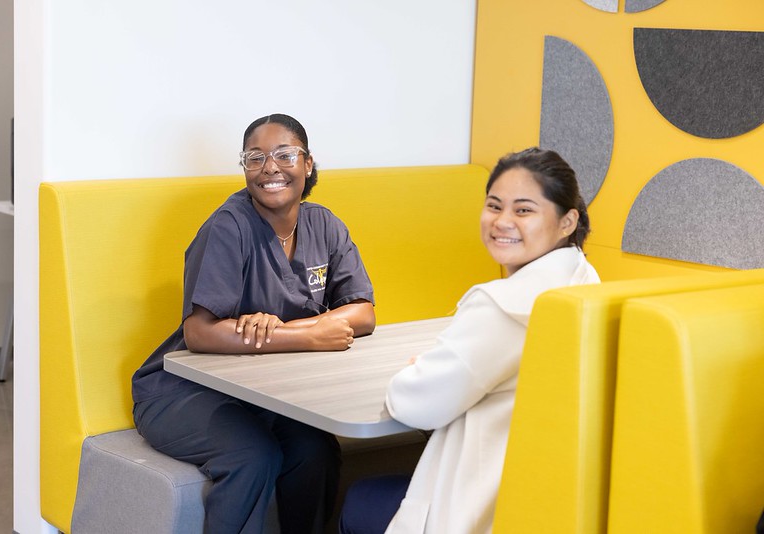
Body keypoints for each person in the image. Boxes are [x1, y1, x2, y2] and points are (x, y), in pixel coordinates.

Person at [132, 113, 376, 534]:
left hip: (265, 393)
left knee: (314, 450)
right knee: (253, 455)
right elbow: (200, 332)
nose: (270, 168)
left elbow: (363, 312)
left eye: (284, 155)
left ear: (308, 163)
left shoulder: (324, 225)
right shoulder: (230, 225)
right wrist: (313, 334)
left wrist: (295, 330)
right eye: (255, 158)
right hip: (184, 391)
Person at [338, 147, 600, 534]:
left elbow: (413, 402)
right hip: (542, 498)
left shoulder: (504, 306)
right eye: (494, 206)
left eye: (524, 210)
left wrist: (420, 370)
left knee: (360, 500)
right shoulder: (582, 278)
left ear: (567, 221)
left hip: (480, 509)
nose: (503, 221)